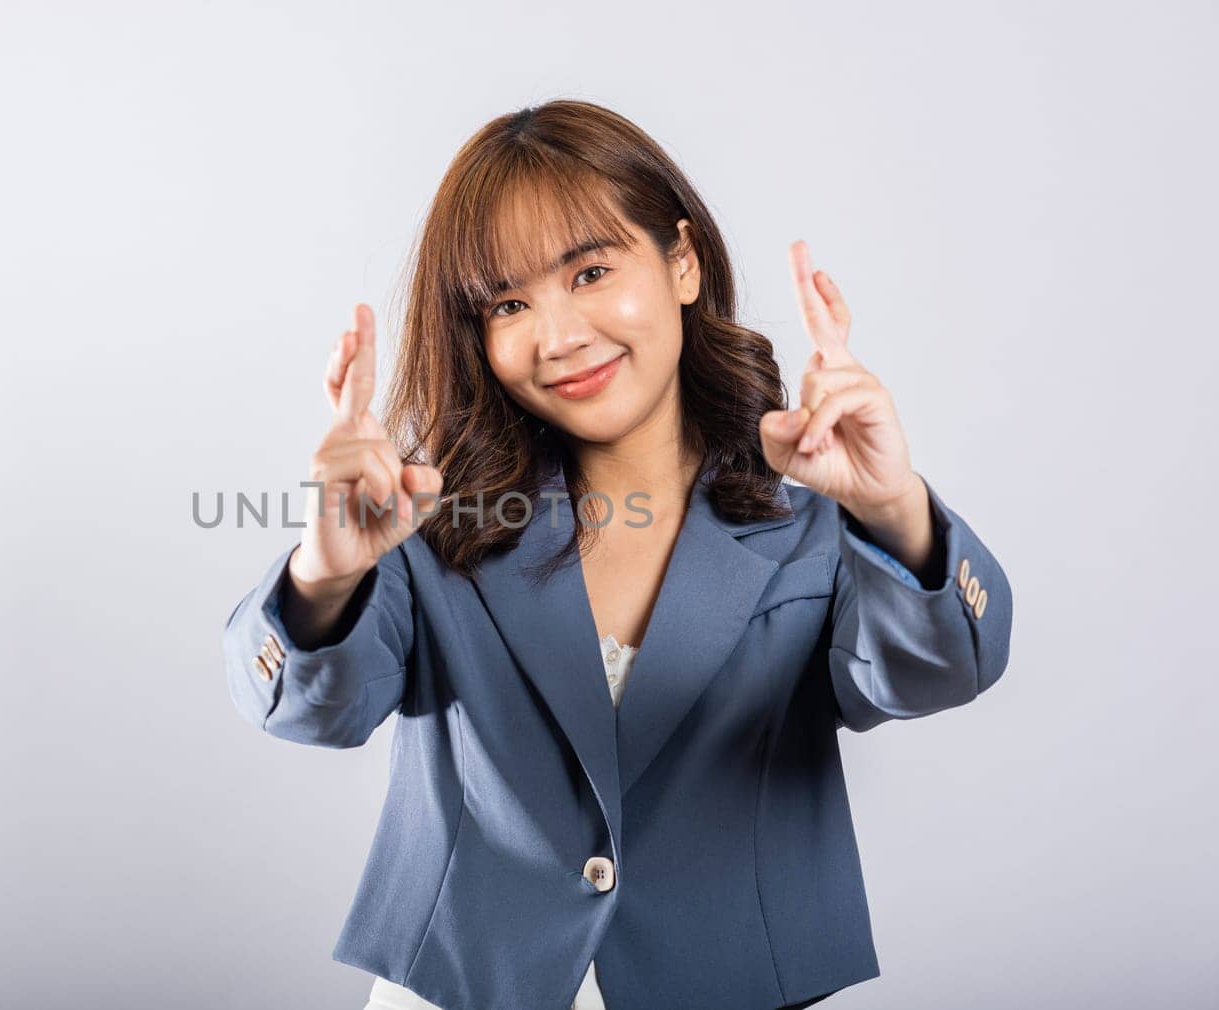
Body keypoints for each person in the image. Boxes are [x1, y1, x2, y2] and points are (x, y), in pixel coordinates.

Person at [222, 100, 1012, 1010]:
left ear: (681, 261)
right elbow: (311, 711)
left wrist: (894, 508)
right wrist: (323, 575)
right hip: (466, 987)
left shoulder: (814, 530)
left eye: (591, 271)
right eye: (509, 303)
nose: (558, 337)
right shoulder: (428, 529)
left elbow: (938, 674)